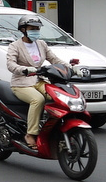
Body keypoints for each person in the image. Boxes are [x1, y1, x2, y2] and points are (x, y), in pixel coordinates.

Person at [6, 15, 66, 150]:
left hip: (39, 81)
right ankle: (31, 134)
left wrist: (71, 68)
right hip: (21, 83)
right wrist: (25, 69)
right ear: (23, 30)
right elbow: (10, 64)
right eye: (32, 28)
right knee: (38, 100)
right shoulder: (15, 46)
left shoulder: (41, 44)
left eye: (37, 29)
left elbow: (54, 60)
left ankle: (52, 128)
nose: (36, 31)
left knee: (58, 96)